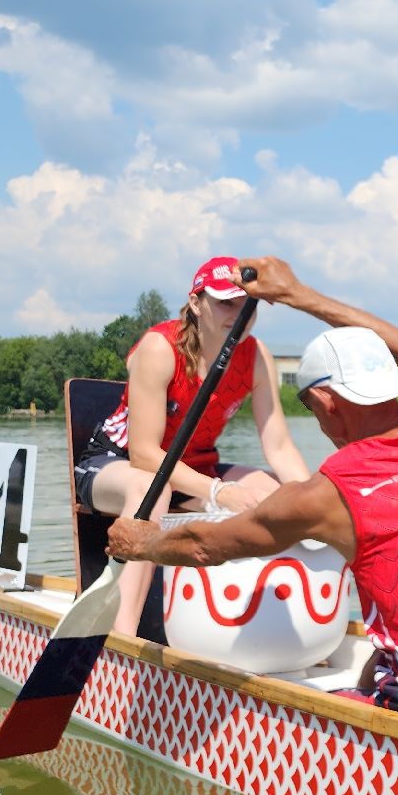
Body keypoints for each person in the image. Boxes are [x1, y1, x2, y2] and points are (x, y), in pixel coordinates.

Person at [105, 257, 398, 742]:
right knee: (371, 667)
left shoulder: (333, 491)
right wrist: (298, 294)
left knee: (287, 726)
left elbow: (203, 546)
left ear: (324, 403)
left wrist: (143, 543)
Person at [73, 257, 309, 635]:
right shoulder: (160, 347)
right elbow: (145, 454)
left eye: (247, 305)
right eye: (226, 303)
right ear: (197, 304)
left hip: (193, 469)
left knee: (278, 494)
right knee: (152, 488)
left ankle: (268, 625)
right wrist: (219, 492)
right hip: (116, 464)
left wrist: (310, 501)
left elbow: (279, 446)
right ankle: (122, 635)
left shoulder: (256, 355)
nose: (239, 315)